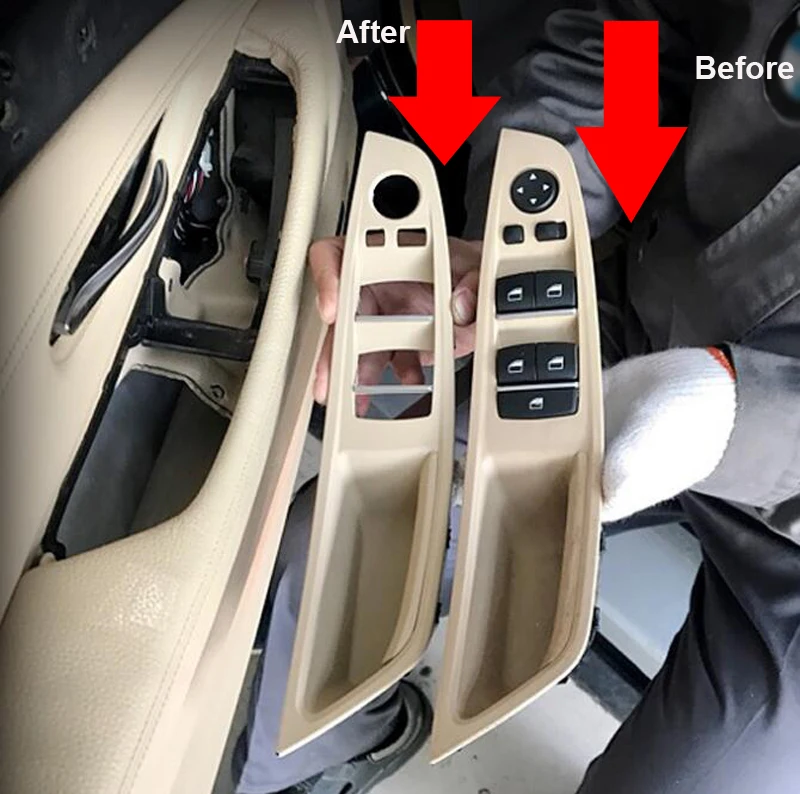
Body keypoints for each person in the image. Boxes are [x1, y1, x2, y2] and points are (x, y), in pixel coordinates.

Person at [234, 1, 800, 792]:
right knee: (343, 542)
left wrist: (741, 417)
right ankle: (329, 748)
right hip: (638, 315)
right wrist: (523, 244)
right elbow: (639, 37)